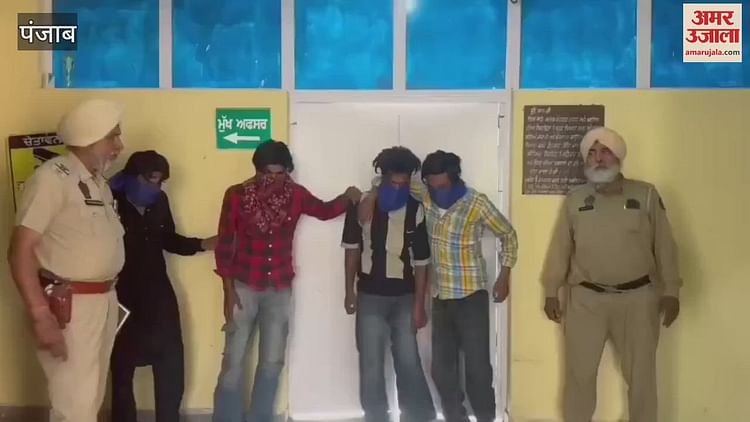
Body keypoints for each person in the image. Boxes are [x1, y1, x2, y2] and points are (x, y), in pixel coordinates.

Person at [359, 150, 518, 422]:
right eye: (431, 185)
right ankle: (456, 417)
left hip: (471, 294)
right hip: (440, 295)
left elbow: (508, 234)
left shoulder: (477, 203)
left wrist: (504, 276)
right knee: (442, 371)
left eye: (442, 186)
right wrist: (369, 193)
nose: (436, 191)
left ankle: (485, 417)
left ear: (455, 178)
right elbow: (391, 180)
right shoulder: (424, 195)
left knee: (477, 369)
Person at [212, 140, 362, 422]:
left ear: (288, 171)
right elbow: (225, 245)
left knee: (272, 361)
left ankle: (260, 418)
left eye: (279, 173)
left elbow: (324, 210)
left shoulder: (295, 195)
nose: (273, 179)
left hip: (279, 289)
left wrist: (348, 197)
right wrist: (228, 292)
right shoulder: (237, 195)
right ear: (257, 170)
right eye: (267, 173)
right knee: (233, 362)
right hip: (243, 287)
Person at [540, 127, 681, 422]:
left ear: (618, 156)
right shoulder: (575, 199)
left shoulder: (645, 195)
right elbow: (560, 248)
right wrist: (551, 290)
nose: (598, 158)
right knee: (579, 375)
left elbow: (665, 246)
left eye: (605, 151)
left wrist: (671, 291)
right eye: (592, 153)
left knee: (642, 377)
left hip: (638, 300)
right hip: (585, 301)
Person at [7, 98, 126, 422]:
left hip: (102, 301)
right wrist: (40, 315)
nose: (119, 145)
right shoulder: (52, 178)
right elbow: (20, 250)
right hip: (69, 307)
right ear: (90, 138)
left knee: (89, 400)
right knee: (74, 404)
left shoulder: (98, 183)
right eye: (112, 137)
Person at [107, 150, 218, 422]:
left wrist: (203, 244)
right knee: (121, 369)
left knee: (170, 366)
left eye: (160, 182)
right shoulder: (108, 200)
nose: (155, 188)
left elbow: (167, 239)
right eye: (150, 180)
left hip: (157, 292)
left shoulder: (159, 201)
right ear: (132, 177)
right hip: (120, 296)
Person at [341, 146, 435, 422]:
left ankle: (418, 416)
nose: (399, 189)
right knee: (370, 363)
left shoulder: (415, 209)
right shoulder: (362, 207)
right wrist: (349, 291)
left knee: (408, 360)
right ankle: (375, 416)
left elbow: (422, 262)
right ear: (382, 179)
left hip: (405, 297)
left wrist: (419, 305)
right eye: (394, 183)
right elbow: (351, 251)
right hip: (370, 296)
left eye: (404, 184)